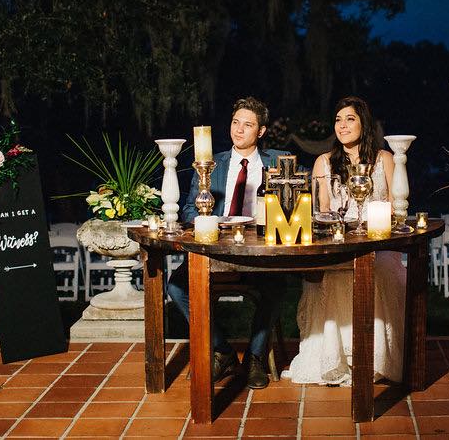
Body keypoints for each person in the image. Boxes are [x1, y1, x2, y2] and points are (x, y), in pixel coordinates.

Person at [166, 96, 289, 389]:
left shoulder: (277, 162)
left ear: (260, 132)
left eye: (248, 125)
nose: (239, 130)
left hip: (260, 253)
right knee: (176, 286)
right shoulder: (210, 164)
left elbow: (291, 207)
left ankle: (255, 358)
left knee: (277, 284)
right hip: (215, 252)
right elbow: (188, 210)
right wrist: (213, 221)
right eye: (236, 122)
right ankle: (222, 351)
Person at [285, 95, 405, 385]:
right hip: (338, 244)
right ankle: (333, 358)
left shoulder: (384, 159)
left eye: (350, 119)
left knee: (384, 271)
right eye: (338, 120)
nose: (342, 125)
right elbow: (322, 211)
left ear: (364, 124)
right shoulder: (323, 163)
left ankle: (375, 357)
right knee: (329, 275)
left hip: (378, 244)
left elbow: (397, 207)